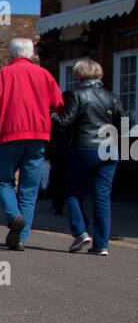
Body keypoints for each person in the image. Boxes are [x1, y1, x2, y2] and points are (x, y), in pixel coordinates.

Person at [0, 38, 64, 251]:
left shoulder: (3, 76)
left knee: (6, 182)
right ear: (31, 53)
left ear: (11, 54)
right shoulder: (44, 75)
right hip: (38, 137)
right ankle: (22, 238)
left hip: (9, 137)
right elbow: (59, 105)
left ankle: (13, 217)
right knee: (29, 189)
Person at [53, 59, 123, 256]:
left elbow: (65, 123)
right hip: (109, 150)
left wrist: (50, 115)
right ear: (99, 75)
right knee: (102, 197)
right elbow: (123, 122)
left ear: (78, 76)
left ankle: (80, 232)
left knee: (73, 193)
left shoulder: (77, 95)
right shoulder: (112, 97)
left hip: (84, 148)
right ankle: (101, 245)